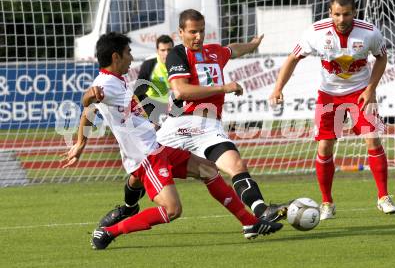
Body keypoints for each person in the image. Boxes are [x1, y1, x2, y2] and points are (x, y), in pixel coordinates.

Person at [62, 32, 283, 250]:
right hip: (146, 157)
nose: (131, 58)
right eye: (128, 53)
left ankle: (250, 223)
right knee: (172, 209)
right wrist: (88, 96)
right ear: (115, 57)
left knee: (208, 169)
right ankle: (109, 232)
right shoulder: (106, 83)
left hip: (157, 147)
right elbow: (88, 101)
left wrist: (81, 142)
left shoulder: (117, 81)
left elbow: (90, 111)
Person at [97, 10, 291, 228]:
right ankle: (128, 207)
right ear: (181, 32)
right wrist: (224, 87)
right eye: (192, 32)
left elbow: (232, 50)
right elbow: (180, 91)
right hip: (178, 123)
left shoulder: (215, 53)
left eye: (201, 31)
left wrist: (252, 45)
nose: (197, 37)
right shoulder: (177, 54)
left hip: (209, 127)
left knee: (235, 164)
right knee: (138, 173)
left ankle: (261, 212)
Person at [269, 0, 395, 220]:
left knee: (373, 138)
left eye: (346, 14)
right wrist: (278, 88)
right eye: (337, 14)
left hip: (360, 94)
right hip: (328, 96)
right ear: (330, 13)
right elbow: (292, 58)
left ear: (354, 13)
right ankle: (327, 202)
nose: (341, 19)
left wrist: (371, 89)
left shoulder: (369, 32)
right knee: (324, 149)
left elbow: (381, 58)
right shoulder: (315, 32)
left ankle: (383, 197)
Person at [134, 34, 174, 126]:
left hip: (173, 103)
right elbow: (138, 91)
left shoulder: (178, 62)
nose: (166, 53)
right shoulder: (149, 64)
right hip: (153, 102)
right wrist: (145, 108)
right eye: (163, 50)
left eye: (169, 50)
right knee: (156, 127)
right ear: (157, 51)